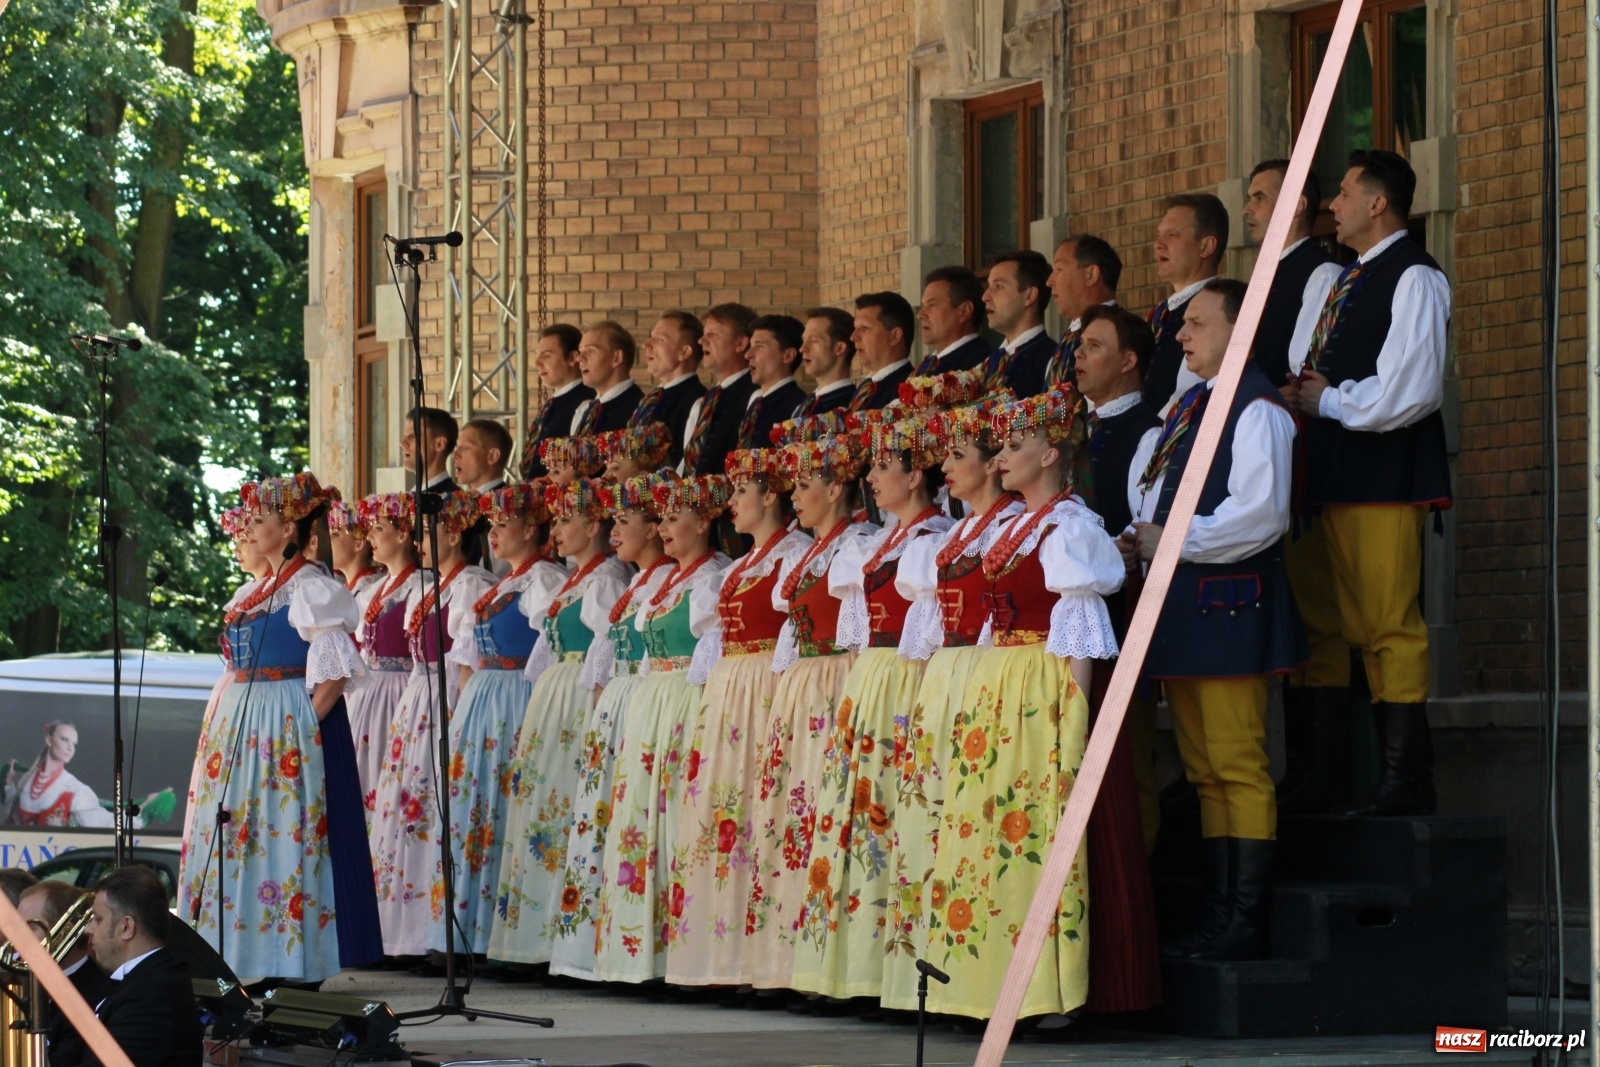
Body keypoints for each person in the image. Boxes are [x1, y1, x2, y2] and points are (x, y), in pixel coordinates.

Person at [925, 384, 1124, 1022]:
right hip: (1000, 684)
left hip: (1041, 687)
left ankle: (1047, 986)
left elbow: (1081, 633)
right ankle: (986, 982)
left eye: (1016, 445)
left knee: (1034, 825)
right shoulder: (1012, 528)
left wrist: (1075, 724)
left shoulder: (1070, 527)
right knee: (990, 829)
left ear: (1051, 454)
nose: (1002, 458)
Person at [1125, 279, 1304, 961]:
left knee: (1237, 763)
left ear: (1240, 327)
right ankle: (1220, 909)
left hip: (1229, 607)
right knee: (1204, 769)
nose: (1182, 333)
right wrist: (1142, 535)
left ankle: (1245, 917)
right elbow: (1154, 490)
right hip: (1190, 610)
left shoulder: (1256, 408)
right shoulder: (1191, 404)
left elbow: (1260, 515)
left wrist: (1171, 537)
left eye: (1198, 322)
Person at [1291, 149, 1451, 818]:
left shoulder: (1414, 276)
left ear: (1378, 202)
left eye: (1347, 192)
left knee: (1389, 625)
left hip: (1384, 476)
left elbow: (1411, 389)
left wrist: (1329, 402)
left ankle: (1405, 777)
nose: (1334, 203)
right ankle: (1347, 777)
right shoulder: (1348, 278)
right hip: (1336, 474)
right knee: (1341, 625)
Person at [790, 413, 952, 1003]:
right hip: (871, 681)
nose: (874, 478)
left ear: (917, 477)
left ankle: (895, 969)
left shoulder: (933, 539)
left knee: (896, 817)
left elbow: (933, 631)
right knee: (858, 819)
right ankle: (853, 968)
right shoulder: (875, 542)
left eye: (886, 467)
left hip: (907, 680)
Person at [180, 473, 357, 983]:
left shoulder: (312, 588)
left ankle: (285, 959)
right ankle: (236, 952)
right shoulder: (256, 589)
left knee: (278, 834)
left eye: (261, 521)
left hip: (278, 722)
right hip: (243, 719)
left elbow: (336, 666)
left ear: (291, 527)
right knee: (239, 834)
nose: (251, 529)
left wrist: (303, 724)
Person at [880, 397, 1020, 1012]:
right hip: (947, 677)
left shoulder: (1011, 526)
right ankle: (942, 979)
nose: (946, 468)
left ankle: (988, 977)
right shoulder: (961, 532)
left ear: (993, 466)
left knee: (980, 825)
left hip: (988, 675)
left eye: (958, 456)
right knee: (936, 823)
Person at [744, 434, 878, 992]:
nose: (794, 496)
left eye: (805, 484)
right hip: (802, 691)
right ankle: (788, 962)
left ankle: (833, 963)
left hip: (835, 684)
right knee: (794, 822)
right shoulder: (806, 553)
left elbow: (859, 636)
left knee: (828, 818)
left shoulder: (861, 545)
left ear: (836, 487)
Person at [1240, 159, 1348, 815]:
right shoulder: (1263, 276)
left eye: (1261, 196)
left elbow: (1304, 363)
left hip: (1307, 457)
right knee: (1301, 618)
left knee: (1322, 617)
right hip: (1271, 459)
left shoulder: (1318, 272)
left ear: (1299, 202)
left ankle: (1327, 772)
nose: (1250, 208)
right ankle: (1302, 766)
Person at [593, 474, 732, 984]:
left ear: (704, 521)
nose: (666, 527)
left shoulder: (712, 579)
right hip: (653, 704)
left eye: (675, 518)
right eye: (664, 518)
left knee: (677, 820)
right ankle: (640, 953)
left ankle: (682, 954)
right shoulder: (663, 581)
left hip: (684, 703)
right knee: (641, 824)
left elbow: (708, 661)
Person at [490, 477, 629, 967]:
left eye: (568, 520)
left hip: (577, 702)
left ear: (594, 525)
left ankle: (563, 938)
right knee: (544, 810)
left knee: (566, 809)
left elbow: (606, 655)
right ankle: (534, 938)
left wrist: (596, 717)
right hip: (555, 699)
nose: (560, 530)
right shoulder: (576, 580)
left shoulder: (606, 581)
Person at [547, 474, 675, 981]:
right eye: (615, 520)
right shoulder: (640, 582)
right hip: (617, 705)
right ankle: (594, 948)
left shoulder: (655, 581)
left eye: (627, 521)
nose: (618, 531)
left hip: (639, 701)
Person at [441, 484, 566, 955]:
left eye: (503, 524)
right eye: (489, 525)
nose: (493, 534)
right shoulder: (505, 585)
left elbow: (550, 652)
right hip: (486, 701)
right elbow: (469, 657)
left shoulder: (545, 582)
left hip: (518, 697)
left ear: (531, 529)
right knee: (477, 808)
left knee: (505, 809)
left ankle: (499, 929)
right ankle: (467, 927)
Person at [1075, 305, 1165, 850]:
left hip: (1119, 620)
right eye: (1080, 345)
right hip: (1069, 624)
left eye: (1094, 346)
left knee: (1127, 759)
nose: (1079, 356)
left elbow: (1140, 526)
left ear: (1128, 360)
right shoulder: (1070, 429)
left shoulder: (1147, 432)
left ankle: (1140, 884)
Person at [341, 496, 418, 826]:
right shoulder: (377, 589)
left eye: (378, 529)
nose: (370, 537)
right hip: (367, 694)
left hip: (398, 692)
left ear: (403, 535)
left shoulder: (420, 586)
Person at [77, 866, 203, 1067]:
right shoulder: (148, 980)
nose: (88, 929)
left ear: (126, 927)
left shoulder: (152, 994)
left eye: (98, 919)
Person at [1147, 193, 1227, 412]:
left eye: (1172, 235)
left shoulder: (1218, 313)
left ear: (1206, 247)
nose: (1158, 244)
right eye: (1159, 235)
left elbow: (1190, 395)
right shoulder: (1159, 314)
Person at [5, 722, 167, 829]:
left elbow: (106, 824)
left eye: (73, 744)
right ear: (48, 739)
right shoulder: (28, 781)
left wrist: (144, 806)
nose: (70, 748)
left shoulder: (74, 789)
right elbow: (12, 820)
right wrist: (8, 783)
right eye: (64, 739)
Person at [19, 880, 112, 1067]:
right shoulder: (22, 984)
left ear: (64, 931)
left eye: (31, 927)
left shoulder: (93, 995)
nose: (16, 938)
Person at [684, 303, 761, 476]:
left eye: (712, 335)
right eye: (704, 335)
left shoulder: (756, 396)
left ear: (740, 343)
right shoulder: (706, 400)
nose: (701, 341)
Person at [1045, 234, 1122, 390]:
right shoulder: (1068, 338)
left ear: (1091, 275)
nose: (1049, 282)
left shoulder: (1118, 333)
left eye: (1059, 269)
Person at [522, 324, 594, 479]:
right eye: (537, 355)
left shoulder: (587, 403)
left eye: (547, 355)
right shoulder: (551, 405)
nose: (537, 363)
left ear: (573, 358)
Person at [636, 311, 709, 463]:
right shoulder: (649, 400)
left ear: (684, 352)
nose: (646, 344)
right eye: (651, 336)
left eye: (660, 339)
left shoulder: (699, 400)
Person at [983, 250, 1055, 397]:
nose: (985, 296)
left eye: (998, 286)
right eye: (988, 286)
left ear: (1029, 296)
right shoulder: (989, 363)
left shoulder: (1053, 359)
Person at [455, 417, 514, 573]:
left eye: (465, 448)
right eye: (457, 447)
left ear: (492, 456)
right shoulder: (458, 504)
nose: (455, 455)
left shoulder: (508, 505)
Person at [739, 314, 807, 449]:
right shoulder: (756, 403)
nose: (748, 354)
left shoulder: (799, 407)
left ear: (787, 355)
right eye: (751, 346)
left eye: (759, 346)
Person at [914, 266, 989, 375]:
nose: (920, 315)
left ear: (964, 311)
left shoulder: (981, 366)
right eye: (923, 306)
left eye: (932, 305)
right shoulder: (926, 366)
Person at [573, 321, 645, 435]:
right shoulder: (587, 410)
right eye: (581, 351)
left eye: (591, 350)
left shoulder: (640, 411)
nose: (579, 358)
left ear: (616, 358)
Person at [849, 292, 916, 411]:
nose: (853, 337)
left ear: (894, 336)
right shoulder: (865, 388)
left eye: (864, 328)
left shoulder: (910, 390)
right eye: (855, 328)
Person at [793, 308, 857, 420]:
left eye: (813, 340)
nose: (802, 349)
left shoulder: (852, 407)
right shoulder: (803, 406)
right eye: (804, 340)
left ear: (839, 348)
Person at [327, 499, 381, 595]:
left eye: (335, 535)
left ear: (358, 544)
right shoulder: (347, 588)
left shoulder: (371, 591)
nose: (327, 541)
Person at [401, 407, 460, 493]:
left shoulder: (455, 501)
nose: (403, 443)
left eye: (413, 436)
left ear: (439, 444)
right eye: (405, 437)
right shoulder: (410, 496)